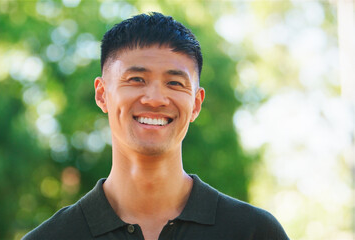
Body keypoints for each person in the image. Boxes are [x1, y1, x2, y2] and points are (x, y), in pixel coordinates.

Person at [23, 12, 289, 240]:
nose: (155, 99)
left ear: (196, 104)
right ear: (102, 94)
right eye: (136, 79)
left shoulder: (254, 232)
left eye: (174, 83)